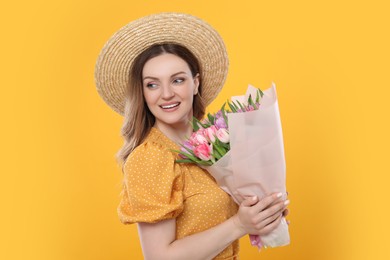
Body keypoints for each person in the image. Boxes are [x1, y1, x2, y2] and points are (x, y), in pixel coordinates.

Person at [94, 13, 289, 260]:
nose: (166, 94)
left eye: (177, 80)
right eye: (152, 84)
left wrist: (264, 211)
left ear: (195, 83)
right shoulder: (151, 158)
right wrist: (240, 225)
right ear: (142, 93)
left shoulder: (213, 143)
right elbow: (159, 257)